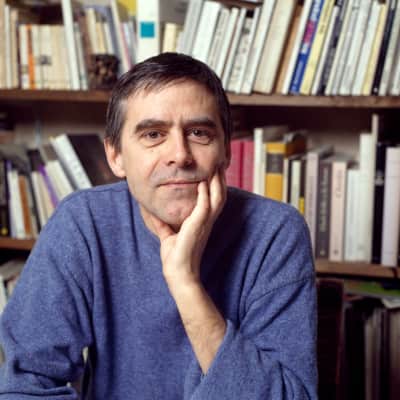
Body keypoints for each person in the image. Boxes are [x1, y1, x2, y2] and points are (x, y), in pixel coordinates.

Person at [0, 53, 317, 399]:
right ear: (115, 156)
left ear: (226, 150)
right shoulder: (82, 223)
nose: (179, 154)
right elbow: (25, 387)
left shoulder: (276, 233)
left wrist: (185, 283)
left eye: (199, 133)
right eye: (153, 134)